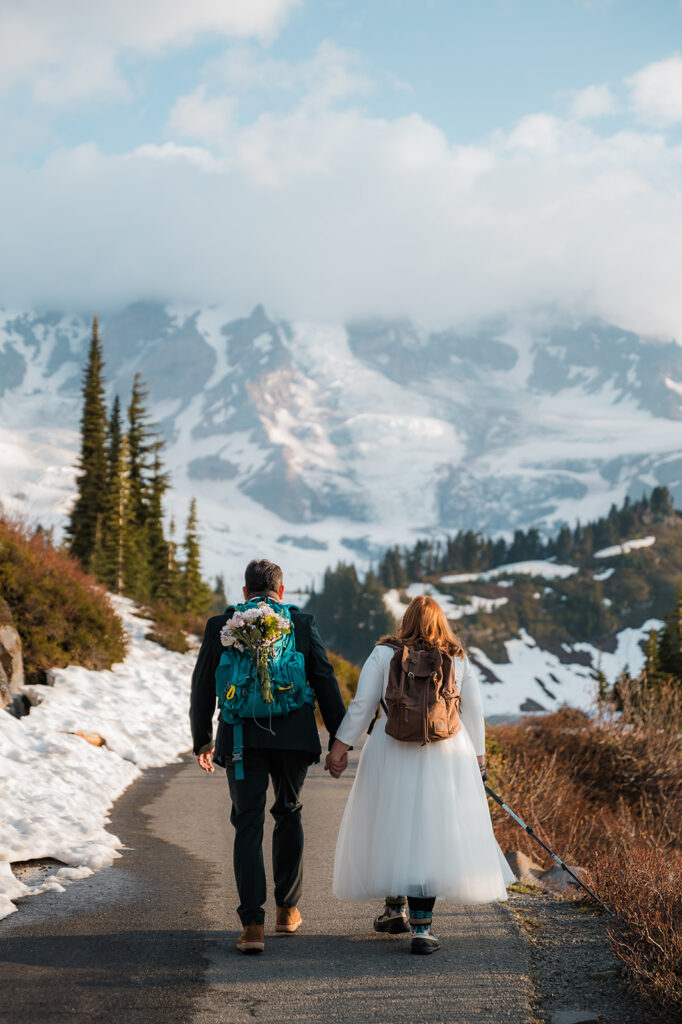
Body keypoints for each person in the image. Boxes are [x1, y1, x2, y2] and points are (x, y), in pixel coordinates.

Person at [326, 594, 515, 955]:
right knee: (429, 830)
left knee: (393, 823)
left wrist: (339, 749)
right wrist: (478, 761)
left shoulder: (384, 654)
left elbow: (363, 706)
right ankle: (423, 929)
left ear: (406, 621)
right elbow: (474, 714)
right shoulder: (458, 660)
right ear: (442, 623)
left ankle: (394, 908)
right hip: (446, 754)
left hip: (391, 748)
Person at [190, 558, 347, 954]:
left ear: (244, 593)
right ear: (282, 591)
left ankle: (252, 926)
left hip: (242, 738)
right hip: (293, 736)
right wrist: (339, 740)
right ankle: (287, 909)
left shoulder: (220, 625)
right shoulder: (301, 622)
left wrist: (202, 740)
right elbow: (324, 679)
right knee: (289, 812)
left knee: (248, 823)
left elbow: (203, 685)